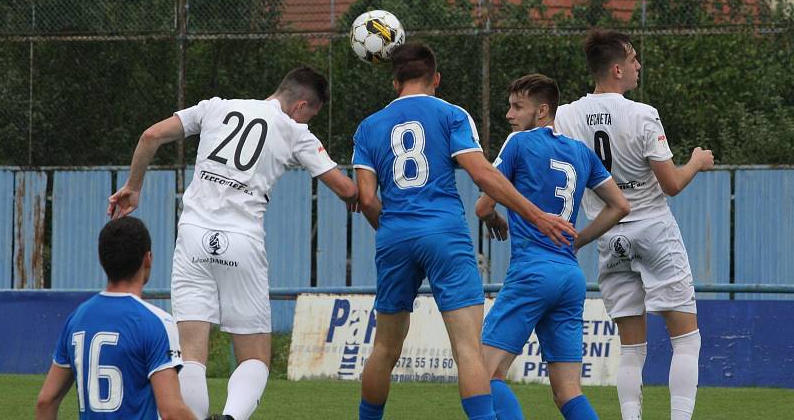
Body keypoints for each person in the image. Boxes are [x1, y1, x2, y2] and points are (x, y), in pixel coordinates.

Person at [107, 67, 358, 420]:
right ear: (302, 105)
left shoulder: (216, 107)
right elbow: (346, 190)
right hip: (241, 240)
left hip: (193, 235)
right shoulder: (295, 132)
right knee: (255, 357)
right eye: (311, 115)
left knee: (191, 353)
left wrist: (134, 186)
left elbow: (150, 136)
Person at [352, 43, 578, 420]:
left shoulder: (369, 126)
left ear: (395, 82)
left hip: (394, 235)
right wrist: (536, 215)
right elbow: (481, 174)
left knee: (384, 350)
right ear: (436, 78)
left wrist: (392, 228)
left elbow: (366, 197)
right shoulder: (452, 115)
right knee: (468, 350)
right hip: (445, 232)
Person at [554, 30, 715, 420]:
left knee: (631, 349)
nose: (638, 65)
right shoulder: (643, 114)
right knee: (687, 341)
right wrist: (696, 161)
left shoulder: (566, 115)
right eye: (633, 58)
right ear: (617, 68)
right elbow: (672, 185)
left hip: (608, 233)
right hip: (653, 228)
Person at [475, 74, 630, 420]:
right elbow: (620, 205)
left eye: (518, 107)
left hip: (532, 272)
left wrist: (494, 219)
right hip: (569, 277)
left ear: (542, 110)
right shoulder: (581, 153)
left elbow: (483, 206)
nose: (509, 115)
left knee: (482, 375)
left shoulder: (518, 143)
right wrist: (578, 239)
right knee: (567, 392)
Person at [35, 217, 196, 420]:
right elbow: (171, 411)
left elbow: (45, 401)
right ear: (148, 259)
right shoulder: (156, 322)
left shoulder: (77, 318)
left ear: (103, 260)